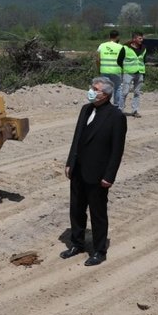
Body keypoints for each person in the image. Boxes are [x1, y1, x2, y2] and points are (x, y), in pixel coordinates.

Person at [62, 76, 127, 266]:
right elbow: (77, 139)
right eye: (92, 87)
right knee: (76, 209)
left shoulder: (116, 117)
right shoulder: (86, 109)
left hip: (98, 174)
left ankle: (99, 250)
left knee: (97, 213)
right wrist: (70, 162)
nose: (91, 91)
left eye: (95, 89)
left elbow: (117, 150)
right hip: (79, 170)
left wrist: (109, 176)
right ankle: (77, 243)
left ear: (105, 95)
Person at [96, 30, 125, 107]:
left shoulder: (102, 45)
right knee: (118, 88)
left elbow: (98, 59)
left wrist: (99, 69)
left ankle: (104, 106)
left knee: (105, 89)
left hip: (104, 70)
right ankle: (117, 106)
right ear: (118, 37)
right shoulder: (121, 47)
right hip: (116, 71)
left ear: (109, 36)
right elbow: (124, 61)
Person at [120, 31, 146, 117]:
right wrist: (125, 70)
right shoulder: (125, 48)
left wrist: (143, 73)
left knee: (137, 92)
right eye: (140, 38)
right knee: (125, 92)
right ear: (134, 39)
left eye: (142, 38)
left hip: (140, 73)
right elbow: (119, 60)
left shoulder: (144, 49)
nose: (142, 40)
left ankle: (135, 111)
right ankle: (120, 110)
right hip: (128, 73)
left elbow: (144, 61)